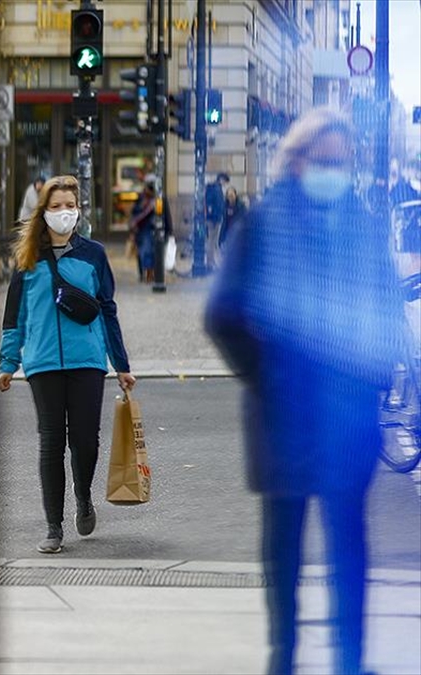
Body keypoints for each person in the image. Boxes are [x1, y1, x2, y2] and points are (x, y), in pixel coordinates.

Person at [204, 108, 408, 675]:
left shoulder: (363, 223)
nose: (335, 172)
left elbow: (388, 308)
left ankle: (350, 661)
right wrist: (267, 376)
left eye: (342, 162)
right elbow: (224, 314)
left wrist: (371, 377)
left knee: (349, 546)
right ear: (296, 162)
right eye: (325, 162)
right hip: (283, 417)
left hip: (347, 420)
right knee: (284, 552)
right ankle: (283, 661)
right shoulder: (263, 225)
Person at [0, 175, 136, 555]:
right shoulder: (27, 259)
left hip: (87, 360)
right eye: (55, 206)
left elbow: (107, 309)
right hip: (41, 363)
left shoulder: (93, 254)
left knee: (86, 441)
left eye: (69, 206)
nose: (63, 213)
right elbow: (14, 316)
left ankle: (83, 496)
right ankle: (53, 526)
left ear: (78, 211)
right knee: (51, 441)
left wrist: (120, 364)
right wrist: (8, 362)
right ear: (43, 212)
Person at [129, 175, 157, 282]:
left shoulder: (158, 198)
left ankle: (150, 274)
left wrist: (169, 231)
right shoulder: (142, 198)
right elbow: (135, 213)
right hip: (142, 229)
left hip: (151, 229)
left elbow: (165, 214)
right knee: (142, 252)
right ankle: (143, 274)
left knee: (149, 252)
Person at [204, 172, 230, 270]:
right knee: (212, 241)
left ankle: (212, 261)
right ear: (222, 179)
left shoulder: (216, 188)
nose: (225, 184)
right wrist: (215, 218)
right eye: (225, 181)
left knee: (213, 242)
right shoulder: (215, 189)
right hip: (214, 219)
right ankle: (210, 263)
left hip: (216, 218)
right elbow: (211, 205)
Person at [219, 185, 247, 251]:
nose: (230, 198)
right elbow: (224, 219)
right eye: (229, 196)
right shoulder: (225, 205)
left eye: (232, 195)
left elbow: (243, 217)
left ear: (235, 195)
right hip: (227, 230)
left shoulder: (241, 205)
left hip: (238, 230)